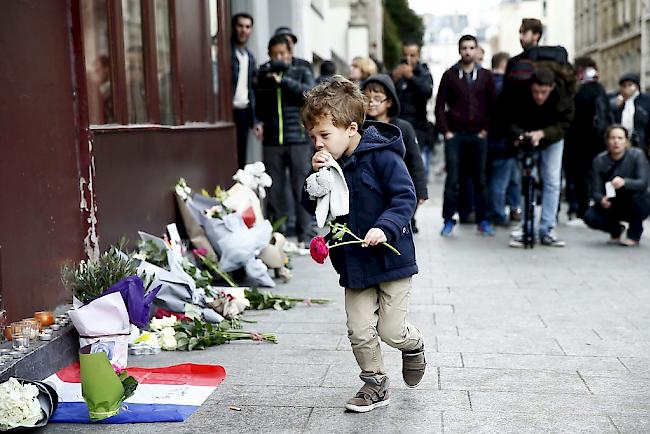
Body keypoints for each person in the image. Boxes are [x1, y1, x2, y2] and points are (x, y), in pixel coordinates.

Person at [301, 76, 425, 412]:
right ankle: (374, 383)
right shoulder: (328, 164)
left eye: (325, 135)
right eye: (314, 137)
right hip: (353, 261)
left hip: (391, 260)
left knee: (391, 330)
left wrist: (385, 228)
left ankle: (413, 345)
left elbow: (404, 197)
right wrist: (314, 183)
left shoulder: (383, 157)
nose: (318, 144)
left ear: (352, 128)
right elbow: (311, 205)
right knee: (359, 329)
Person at [255, 35, 316, 244]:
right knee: (274, 190)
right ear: (269, 55)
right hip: (272, 140)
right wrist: (257, 121)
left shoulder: (301, 70)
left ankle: (306, 233)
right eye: (275, 54)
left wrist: (284, 81)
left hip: (298, 138)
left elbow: (310, 94)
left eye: (283, 53)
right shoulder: (263, 73)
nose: (279, 57)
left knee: (302, 187)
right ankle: (277, 236)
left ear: (290, 54)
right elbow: (257, 101)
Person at [434, 35, 497, 237]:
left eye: (471, 48)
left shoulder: (486, 76)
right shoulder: (449, 75)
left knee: (480, 178)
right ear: (459, 50)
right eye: (464, 48)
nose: (468, 51)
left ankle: (483, 220)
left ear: (477, 50)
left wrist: (486, 130)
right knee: (453, 178)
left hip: (479, 135)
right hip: (456, 135)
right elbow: (439, 106)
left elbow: (493, 107)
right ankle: (448, 220)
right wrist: (447, 132)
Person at [506, 67, 574, 247]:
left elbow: (566, 122)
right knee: (526, 181)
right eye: (536, 91)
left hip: (552, 138)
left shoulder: (563, 95)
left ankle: (548, 228)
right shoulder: (520, 92)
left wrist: (543, 133)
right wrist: (520, 134)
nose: (539, 97)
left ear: (551, 87)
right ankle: (526, 227)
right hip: (526, 136)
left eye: (544, 92)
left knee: (552, 181)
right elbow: (508, 117)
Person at [362, 74, 428, 209]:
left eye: (377, 98)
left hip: (399, 186)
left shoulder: (403, 128)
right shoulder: (361, 128)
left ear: (389, 102)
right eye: (367, 99)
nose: (371, 103)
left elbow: (415, 160)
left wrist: (420, 190)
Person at [564, 56, 613, 221]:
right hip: (598, 141)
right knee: (596, 175)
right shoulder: (600, 89)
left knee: (580, 176)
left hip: (580, 142)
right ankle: (597, 207)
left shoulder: (580, 91)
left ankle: (581, 209)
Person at [584, 125, 649, 246]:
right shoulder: (599, 160)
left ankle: (634, 234)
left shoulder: (637, 155)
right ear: (607, 141)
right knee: (590, 216)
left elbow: (643, 183)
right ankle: (616, 230)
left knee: (638, 199)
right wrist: (601, 199)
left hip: (634, 200)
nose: (616, 142)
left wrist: (625, 182)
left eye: (620, 138)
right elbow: (594, 190)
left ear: (626, 141)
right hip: (612, 202)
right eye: (612, 138)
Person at [487, 51, 521, 226]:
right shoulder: (507, 87)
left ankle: (511, 209)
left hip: (490, 139)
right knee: (502, 181)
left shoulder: (485, 83)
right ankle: (500, 214)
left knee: (503, 178)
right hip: (505, 140)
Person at [392, 40, 434, 180]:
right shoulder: (396, 72)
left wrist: (411, 77)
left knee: (416, 164)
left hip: (417, 126)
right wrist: (393, 79)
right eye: (406, 55)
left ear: (418, 56)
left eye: (412, 55)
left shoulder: (423, 73)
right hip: (397, 123)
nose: (408, 59)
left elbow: (427, 92)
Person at [231, 12, 260, 168]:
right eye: (240, 26)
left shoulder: (250, 57)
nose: (243, 30)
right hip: (228, 111)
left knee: (241, 156)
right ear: (234, 28)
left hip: (243, 111)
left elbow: (252, 91)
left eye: (247, 27)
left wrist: (254, 120)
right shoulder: (227, 53)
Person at [613, 73, 650, 160]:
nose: (627, 88)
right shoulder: (617, 101)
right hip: (622, 142)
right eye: (624, 86)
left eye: (630, 85)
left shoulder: (645, 101)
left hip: (641, 143)